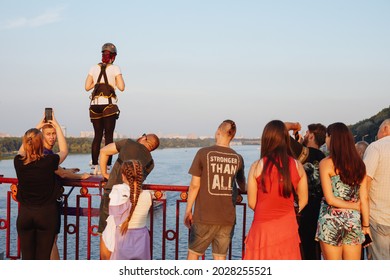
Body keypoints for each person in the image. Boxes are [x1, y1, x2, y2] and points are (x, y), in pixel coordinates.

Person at [244, 120, 308, 260]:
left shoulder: (257, 166)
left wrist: (266, 211)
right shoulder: (297, 166)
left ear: (266, 139)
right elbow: (303, 200)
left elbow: (251, 202)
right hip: (288, 226)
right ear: (286, 139)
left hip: (262, 228)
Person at [183, 120, 246, 260]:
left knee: (193, 255)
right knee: (219, 258)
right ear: (233, 136)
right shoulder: (238, 158)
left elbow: (194, 185)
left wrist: (188, 210)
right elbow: (243, 186)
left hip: (204, 216)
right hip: (227, 218)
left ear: (218, 131)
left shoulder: (203, 153)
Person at [13, 113, 68, 259]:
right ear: (41, 142)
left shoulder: (18, 161)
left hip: (25, 215)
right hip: (46, 215)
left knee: (28, 259)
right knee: (43, 259)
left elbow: (22, 151)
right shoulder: (49, 161)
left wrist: (38, 125)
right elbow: (64, 151)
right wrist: (56, 125)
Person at [98, 133, 160, 260]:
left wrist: (104, 172)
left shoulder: (128, 143)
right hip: (133, 202)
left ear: (144, 138)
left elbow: (103, 151)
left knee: (106, 236)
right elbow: (136, 180)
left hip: (112, 196)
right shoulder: (150, 163)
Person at [315, 122, 370, 260]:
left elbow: (330, 199)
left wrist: (353, 206)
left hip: (331, 221)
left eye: (327, 137)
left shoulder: (326, 164)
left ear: (332, 138)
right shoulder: (359, 165)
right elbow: (364, 198)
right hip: (353, 221)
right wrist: (366, 225)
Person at [39, 121, 91, 260]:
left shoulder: (42, 153)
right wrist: (81, 176)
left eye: (54, 133)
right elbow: (62, 173)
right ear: (42, 136)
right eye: (48, 134)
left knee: (46, 241)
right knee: (51, 241)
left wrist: (66, 170)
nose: (52, 137)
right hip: (49, 203)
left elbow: (55, 171)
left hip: (39, 204)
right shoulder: (46, 154)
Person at [284, 122, 326, 260]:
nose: (306, 135)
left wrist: (295, 126)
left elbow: (280, 128)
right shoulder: (324, 157)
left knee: (298, 250)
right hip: (320, 209)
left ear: (312, 136)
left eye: (308, 133)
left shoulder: (302, 151)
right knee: (313, 252)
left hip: (301, 210)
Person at [85, 42, 125, 175]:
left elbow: (86, 87)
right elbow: (122, 87)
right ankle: (107, 166)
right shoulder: (115, 68)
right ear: (113, 56)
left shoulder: (93, 68)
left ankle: (94, 166)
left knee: (97, 136)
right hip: (108, 105)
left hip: (95, 105)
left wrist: (98, 82)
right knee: (108, 137)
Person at [102, 160, 152, 260]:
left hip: (123, 235)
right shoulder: (148, 195)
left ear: (123, 175)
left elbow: (113, 213)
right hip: (142, 236)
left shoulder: (119, 194)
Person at [363, 119, 390, 260]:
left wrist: (364, 221)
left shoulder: (376, 147)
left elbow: (364, 183)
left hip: (379, 220)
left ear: (385, 128)